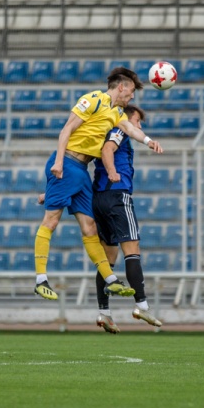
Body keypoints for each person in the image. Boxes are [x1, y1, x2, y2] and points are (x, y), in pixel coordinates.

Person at [33, 67, 163, 301]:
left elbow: (130, 128)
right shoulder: (93, 99)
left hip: (82, 171)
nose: (131, 97)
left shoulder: (116, 112)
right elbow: (66, 129)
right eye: (131, 92)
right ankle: (41, 279)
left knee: (90, 227)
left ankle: (110, 280)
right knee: (51, 220)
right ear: (121, 87)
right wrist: (59, 163)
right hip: (68, 163)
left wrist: (148, 141)